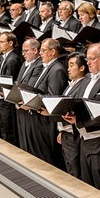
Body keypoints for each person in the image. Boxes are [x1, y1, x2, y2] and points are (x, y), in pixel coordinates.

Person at [63, 43, 100, 193]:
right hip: (84, 140)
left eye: (91, 59)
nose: (87, 62)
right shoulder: (87, 78)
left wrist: (79, 121)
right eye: (87, 59)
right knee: (86, 186)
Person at [29, 38, 68, 167]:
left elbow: (52, 98)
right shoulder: (48, 67)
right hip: (39, 116)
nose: (40, 53)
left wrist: (33, 102)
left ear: (53, 51)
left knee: (46, 159)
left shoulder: (57, 69)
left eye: (43, 50)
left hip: (46, 121)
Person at [56, 52, 87, 178]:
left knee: (75, 173)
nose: (68, 69)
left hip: (74, 135)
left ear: (82, 68)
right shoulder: (71, 84)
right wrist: (61, 130)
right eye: (68, 65)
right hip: (65, 134)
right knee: (69, 170)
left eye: (71, 65)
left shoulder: (83, 85)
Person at [0, 32, 22, 145]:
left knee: (9, 132)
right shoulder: (7, 57)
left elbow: (9, 82)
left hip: (8, 102)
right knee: (4, 130)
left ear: (10, 43)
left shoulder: (12, 59)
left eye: (2, 42)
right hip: (3, 100)